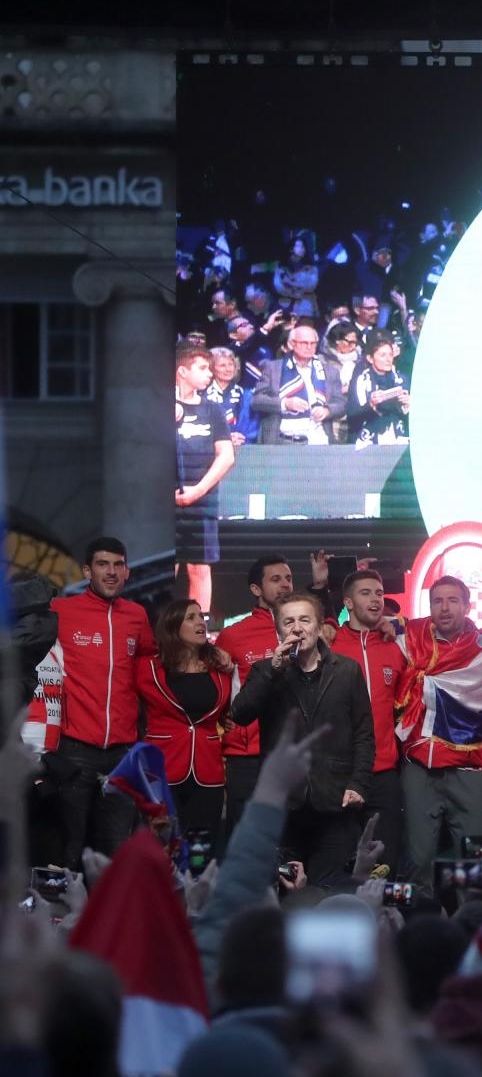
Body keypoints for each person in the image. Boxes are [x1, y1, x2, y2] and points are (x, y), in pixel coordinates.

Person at [231, 591, 374, 884]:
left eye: (304, 620)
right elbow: (241, 713)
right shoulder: (265, 671)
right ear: (278, 630)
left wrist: (358, 782)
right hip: (283, 804)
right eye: (288, 622)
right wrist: (274, 669)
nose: (297, 628)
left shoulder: (347, 670)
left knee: (330, 889)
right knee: (285, 890)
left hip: (335, 800)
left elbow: (363, 732)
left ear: (319, 627)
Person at [45, 536, 157, 867]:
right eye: (102, 564)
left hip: (122, 753)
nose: (111, 572)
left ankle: (111, 918)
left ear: (127, 572)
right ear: (87, 571)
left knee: (116, 847)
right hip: (74, 750)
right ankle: (67, 919)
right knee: (71, 848)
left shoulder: (137, 616)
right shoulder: (61, 611)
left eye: (118, 565)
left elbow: (150, 668)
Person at [397, 576, 482, 889]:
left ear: (468, 606)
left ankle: (472, 924)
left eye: (453, 600)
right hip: (418, 768)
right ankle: (423, 928)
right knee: (419, 858)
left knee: (474, 858)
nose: (445, 608)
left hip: (467, 769)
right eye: (437, 601)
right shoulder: (408, 636)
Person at [330, 569, 408, 875]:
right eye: (366, 593)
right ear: (348, 602)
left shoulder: (396, 646)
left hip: (384, 772)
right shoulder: (329, 645)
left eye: (379, 592)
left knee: (383, 865)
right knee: (339, 860)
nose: (375, 599)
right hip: (340, 773)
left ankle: (385, 921)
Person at [215, 554, 296, 842]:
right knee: (247, 841)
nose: (285, 585)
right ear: (256, 589)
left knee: (292, 841)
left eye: (288, 578)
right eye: (275, 579)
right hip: (247, 757)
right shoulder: (233, 636)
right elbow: (219, 694)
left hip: (294, 752)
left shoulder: (305, 629)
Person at [134, 599, 230, 836]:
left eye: (201, 617)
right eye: (191, 617)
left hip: (208, 773)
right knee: (163, 849)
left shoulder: (220, 668)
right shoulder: (147, 668)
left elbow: (230, 709)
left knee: (202, 851)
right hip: (161, 770)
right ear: (172, 626)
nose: (200, 622)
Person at [175, 343, 236, 614]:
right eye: (202, 368)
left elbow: (226, 456)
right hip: (164, 505)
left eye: (210, 369)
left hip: (202, 503)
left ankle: (198, 629)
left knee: (200, 568)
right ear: (182, 371)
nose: (209, 374)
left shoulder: (213, 410)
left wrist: (198, 490)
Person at [252, 324, 344, 445]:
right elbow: (257, 401)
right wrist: (285, 404)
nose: (309, 347)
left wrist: (327, 410)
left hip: (319, 438)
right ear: (291, 344)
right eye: (304, 343)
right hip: (282, 439)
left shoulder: (330, 371)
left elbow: (341, 403)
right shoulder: (273, 368)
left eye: (313, 343)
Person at [347, 329, 410, 447]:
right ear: (370, 358)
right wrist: (371, 405)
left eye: (390, 355)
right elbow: (352, 418)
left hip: (397, 436)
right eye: (382, 355)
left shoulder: (402, 379)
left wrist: (408, 405)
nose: (388, 359)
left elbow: (412, 418)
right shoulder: (360, 380)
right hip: (367, 439)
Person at [205, 347, 256, 447]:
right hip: (209, 448)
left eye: (231, 365)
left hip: (241, 447)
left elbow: (254, 424)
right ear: (212, 368)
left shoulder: (247, 395)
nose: (228, 369)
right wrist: (224, 439)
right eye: (222, 365)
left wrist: (241, 438)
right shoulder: (201, 395)